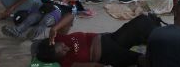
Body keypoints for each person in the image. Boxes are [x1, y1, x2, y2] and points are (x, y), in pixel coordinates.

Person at [33, 13, 161, 67]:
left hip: (109, 38)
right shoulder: (66, 63)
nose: (67, 48)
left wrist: (55, 28)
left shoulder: (60, 36)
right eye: (63, 52)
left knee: (142, 21)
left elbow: (71, 16)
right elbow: (93, 65)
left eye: (62, 46)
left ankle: (166, 41)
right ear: (58, 59)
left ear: (54, 41)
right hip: (109, 54)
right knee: (142, 59)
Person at [2, 0, 84, 40]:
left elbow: (77, 11)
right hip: (45, 10)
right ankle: (16, 31)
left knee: (45, 20)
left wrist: (74, 0)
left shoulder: (70, 5)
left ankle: (31, 36)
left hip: (56, 13)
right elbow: (43, 0)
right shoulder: (55, 1)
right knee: (31, 17)